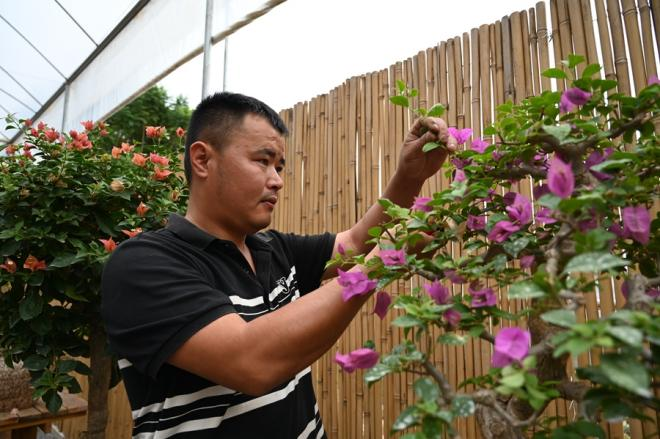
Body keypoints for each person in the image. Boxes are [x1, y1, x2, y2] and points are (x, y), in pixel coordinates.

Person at [101, 91, 457, 438]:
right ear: (202, 160)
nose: (277, 180)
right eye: (262, 161)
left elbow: (355, 244)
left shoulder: (272, 249)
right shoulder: (143, 264)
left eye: (279, 166)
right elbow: (251, 362)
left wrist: (410, 176)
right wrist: (383, 260)